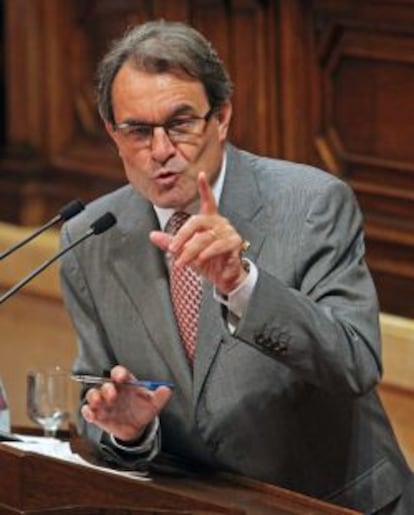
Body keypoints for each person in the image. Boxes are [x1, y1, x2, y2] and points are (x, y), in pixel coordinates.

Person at [60, 19, 414, 514]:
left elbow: (354, 363)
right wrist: (128, 431)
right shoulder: (90, 236)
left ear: (222, 117)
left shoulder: (311, 204)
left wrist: (245, 286)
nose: (161, 151)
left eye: (180, 123)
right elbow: (95, 397)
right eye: (138, 130)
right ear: (112, 134)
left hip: (330, 503)